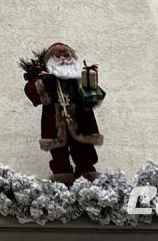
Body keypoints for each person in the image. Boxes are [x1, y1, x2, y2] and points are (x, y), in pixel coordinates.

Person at [22, 41, 105, 184]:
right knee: (59, 156)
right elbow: (32, 93)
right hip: (55, 126)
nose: (63, 59)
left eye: (67, 56)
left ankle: (88, 177)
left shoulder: (79, 77)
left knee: (85, 152)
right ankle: (63, 180)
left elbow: (96, 96)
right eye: (58, 57)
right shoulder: (45, 78)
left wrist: (91, 87)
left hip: (81, 124)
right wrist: (44, 83)